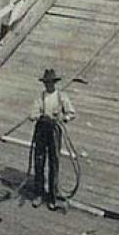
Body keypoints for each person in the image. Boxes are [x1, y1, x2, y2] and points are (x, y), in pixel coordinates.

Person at [28, 68, 76, 210]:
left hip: (54, 131)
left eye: (50, 83)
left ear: (55, 83)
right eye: (46, 83)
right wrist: (39, 116)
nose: (48, 85)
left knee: (54, 162)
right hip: (41, 130)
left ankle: (52, 196)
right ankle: (39, 194)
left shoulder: (61, 96)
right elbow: (32, 114)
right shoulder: (40, 97)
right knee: (39, 161)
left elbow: (71, 113)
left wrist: (63, 118)